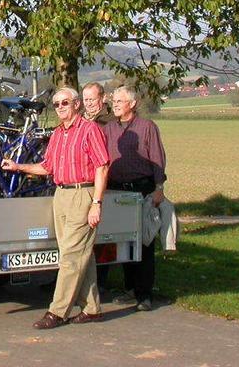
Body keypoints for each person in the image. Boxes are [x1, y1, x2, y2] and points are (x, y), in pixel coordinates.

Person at [1, 87, 109, 329]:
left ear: (77, 104)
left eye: (65, 103)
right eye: (56, 104)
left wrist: (96, 203)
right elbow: (47, 167)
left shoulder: (90, 130)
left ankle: (57, 312)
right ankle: (92, 308)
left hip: (83, 193)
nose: (60, 107)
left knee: (71, 257)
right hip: (61, 195)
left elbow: (102, 167)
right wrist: (18, 167)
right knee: (81, 255)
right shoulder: (58, 134)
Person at [104, 84, 167, 312]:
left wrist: (159, 188)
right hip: (115, 190)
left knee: (144, 244)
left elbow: (158, 158)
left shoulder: (146, 127)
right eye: (114, 101)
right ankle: (130, 288)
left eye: (119, 102)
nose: (115, 105)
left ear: (132, 104)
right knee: (122, 242)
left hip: (141, 190)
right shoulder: (108, 129)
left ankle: (145, 294)